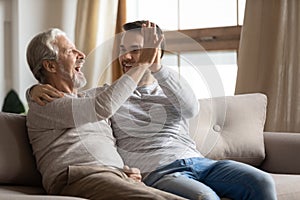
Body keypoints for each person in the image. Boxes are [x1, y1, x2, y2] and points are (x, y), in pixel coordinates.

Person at [30, 21, 277, 200]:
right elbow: (91, 106)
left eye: (136, 50)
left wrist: (156, 67)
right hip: (159, 173)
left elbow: (191, 108)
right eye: (122, 50)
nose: (126, 57)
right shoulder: (104, 97)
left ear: (155, 53)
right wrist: (32, 91)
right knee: (205, 198)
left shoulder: (169, 88)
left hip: (200, 162)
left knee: (262, 182)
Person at [25, 25, 187, 200]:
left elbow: (107, 102)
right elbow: (103, 107)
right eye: (71, 51)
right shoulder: (45, 104)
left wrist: (122, 170)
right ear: (50, 65)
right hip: (77, 176)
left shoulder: (87, 98)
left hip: (113, 176)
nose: (82, 55)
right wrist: (141, 64)